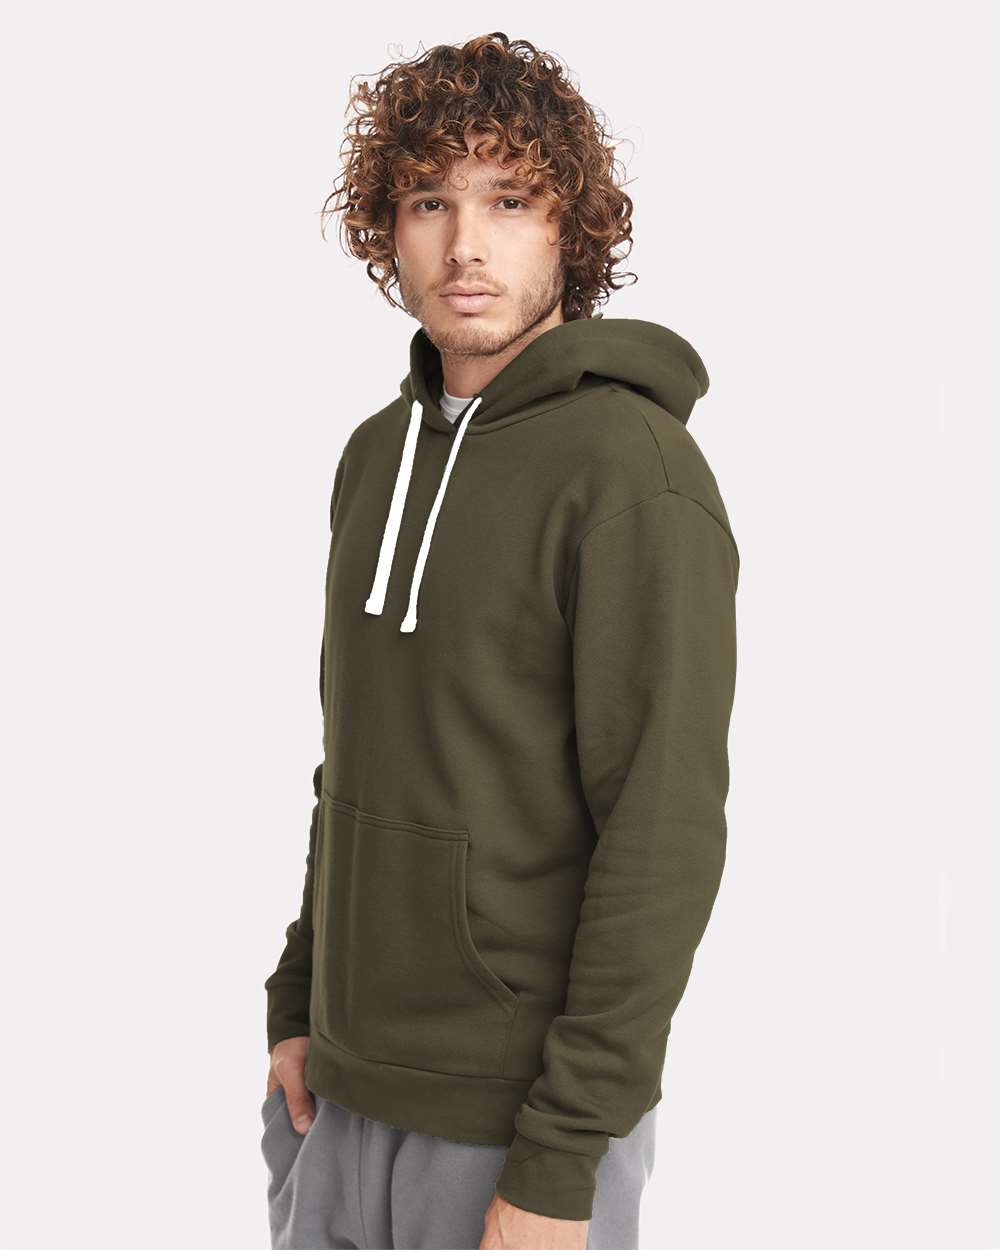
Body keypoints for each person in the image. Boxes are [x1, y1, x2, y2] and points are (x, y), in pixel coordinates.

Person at [261, 32, 739, 1250]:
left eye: (510, 201)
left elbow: (661, 830)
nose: (465, 245)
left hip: (511, 1127)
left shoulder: (633, 475)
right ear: (387, 228)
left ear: (570, 229)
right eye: (430, 200)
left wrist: (562, 1154)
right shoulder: (377, 456)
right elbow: (359, 758)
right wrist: (298, 1001)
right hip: (336, 1095)